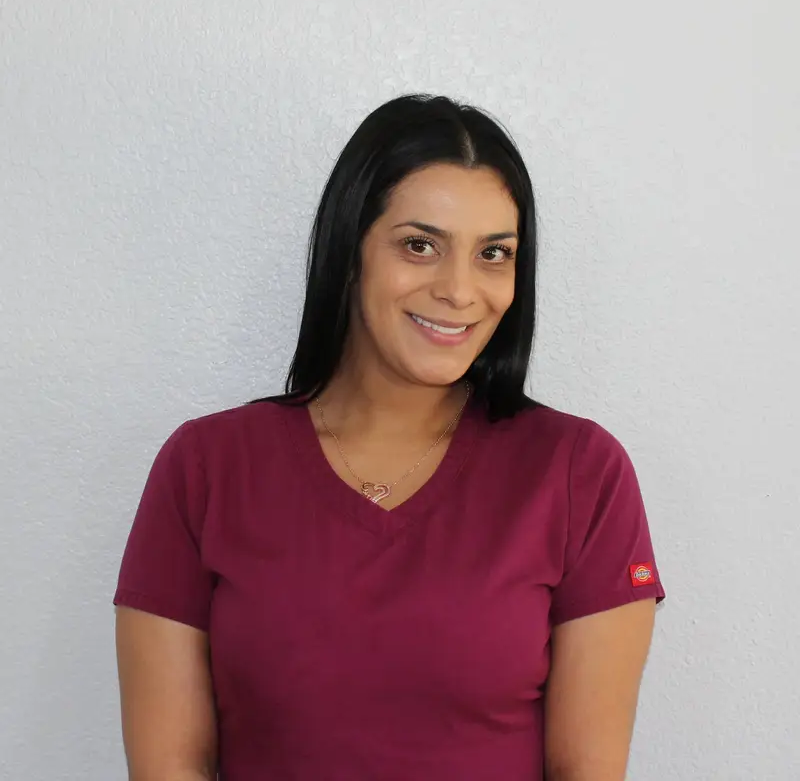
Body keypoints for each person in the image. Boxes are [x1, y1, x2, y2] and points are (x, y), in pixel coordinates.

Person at [114, 93, 665, 781]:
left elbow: (587, 771)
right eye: (420, 245)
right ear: (351, 253)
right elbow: (169, 768)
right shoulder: (204, 469)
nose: (461, 290)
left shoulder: (581, 473)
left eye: (494, 253)